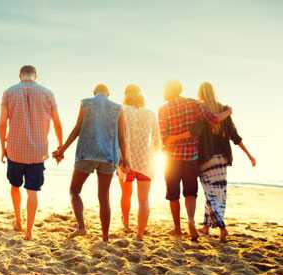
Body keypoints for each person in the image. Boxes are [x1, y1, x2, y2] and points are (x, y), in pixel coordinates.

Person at [168, 82, 256, 242]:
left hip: (205, 158)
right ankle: (206, 227)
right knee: (218, 193)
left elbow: (194, 131)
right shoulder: (224, 110)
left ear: (200, 93)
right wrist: (249, 154)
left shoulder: (200, 110)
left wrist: (173, 139)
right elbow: (235, 136)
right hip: (222, 158)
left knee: (210, 193)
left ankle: (222, 228)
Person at [53, 84, 129, 242]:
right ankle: (105, 238)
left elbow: (77, 129)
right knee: (104, 197)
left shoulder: (86, 103)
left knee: (74, 191)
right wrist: (125, 159)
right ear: (108, 93)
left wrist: (62, 149)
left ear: (94, 93)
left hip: (86, 153)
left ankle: (81, 227)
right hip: (108, 157)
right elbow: (122, 138)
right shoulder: (117, 108)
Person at [158, 80, 232, 241]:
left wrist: (176, 138)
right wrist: (228, 112)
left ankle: (177, 228)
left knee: (173, 195)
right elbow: (212, 119)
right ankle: (190, 220)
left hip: (171, 159)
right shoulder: (194, 104)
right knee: (190, 193)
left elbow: (164, 138)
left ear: (169, 91)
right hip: (191, 158)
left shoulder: (162, 110)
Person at [0, 65, 63, 241]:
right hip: (37, 151)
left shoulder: (9, 92)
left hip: (14, 150)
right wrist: (61, 145)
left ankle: (18, 220)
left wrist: (1, 148)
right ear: (36, 75)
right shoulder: (48, 93)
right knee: (32, 191)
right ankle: (29, 231)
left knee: (14, 185)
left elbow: (2, 123)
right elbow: (57, 122)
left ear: (20, 75)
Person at [118, 84, 161, 240]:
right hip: (146, 162)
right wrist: (150, 155)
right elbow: (157, 143)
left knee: (126, 194)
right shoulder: (150, 114)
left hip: (126, 161)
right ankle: (140, 234)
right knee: (144, 200)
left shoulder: (121, 110)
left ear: (126, 95)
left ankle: (126, 223)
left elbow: (118, 136)